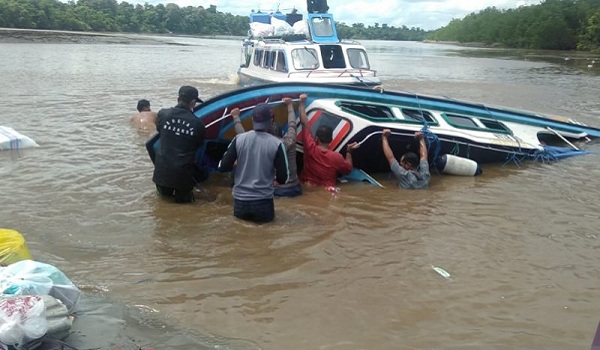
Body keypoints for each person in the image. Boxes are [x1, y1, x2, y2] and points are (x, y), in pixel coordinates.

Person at [219, 103, 289, 223]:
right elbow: (283, 178)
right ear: (271, 121)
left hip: (240, 202)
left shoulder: (239, 139)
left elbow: (223, 166)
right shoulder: (277, 144)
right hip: (263, 202)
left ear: (252, 119)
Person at [231, 96, 302, 197]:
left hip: (275, 190)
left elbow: (242, 135)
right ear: (282, 133)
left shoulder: (263, 145)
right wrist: (290, 105)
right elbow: (292, 125)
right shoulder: (289, 141)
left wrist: (235, 117)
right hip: (294, 188)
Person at [152, 86, 207, 203]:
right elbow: (198, 145)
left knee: (162, 204)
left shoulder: (163, 114)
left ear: (178, 98)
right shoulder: (197, 124)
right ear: (192, 102)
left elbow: (160, 132)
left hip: (162, 172)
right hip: (183, 175)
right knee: (185, 208)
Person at [298, 93, 359, 187]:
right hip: (327, 191)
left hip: (307, 185)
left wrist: (301, 103)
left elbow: (304, 123)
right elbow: (348, 170)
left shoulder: (310, 148)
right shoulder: (337, 157)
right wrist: (349, 152)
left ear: (316, 138)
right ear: (331, 140)